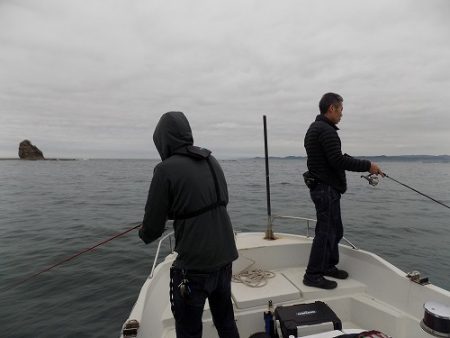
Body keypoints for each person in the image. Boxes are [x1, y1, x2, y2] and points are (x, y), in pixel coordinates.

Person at [139, 111, 240, 338]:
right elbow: (220, 200)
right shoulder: (211, 160)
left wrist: (143, 233)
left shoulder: (164, 170)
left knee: (189, 331)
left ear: (162, 140)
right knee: (226, 323)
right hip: (225, 259)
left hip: (193, 267)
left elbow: (152, 228)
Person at [303, 93, 384, 290]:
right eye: (340, 110)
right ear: (331, 108)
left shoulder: (316, 128)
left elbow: (331, 158)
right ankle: (312, 275)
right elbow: (337, 160)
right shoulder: (326, 130)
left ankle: (328, 266)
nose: (341, 115)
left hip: (323, 188)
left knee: (335, 230)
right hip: (325, 189)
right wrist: (368, 165)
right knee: (325, 231)